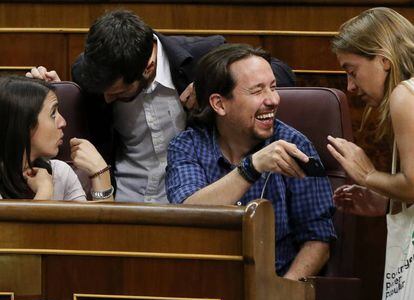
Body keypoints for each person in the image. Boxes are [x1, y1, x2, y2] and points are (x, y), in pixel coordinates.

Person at [26, 10, 296, 203]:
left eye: (120, 94)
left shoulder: (203, 57)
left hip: (192, 203)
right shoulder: (95, 72)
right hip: (122, 204)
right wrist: (51, 89)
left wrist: (209, 84)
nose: (107, 99)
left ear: (148, 67)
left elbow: (282, 75)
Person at [165, 44, 336, 279]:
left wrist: (281, 295)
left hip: (277, 284)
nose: (273, 100)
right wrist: (251, 167)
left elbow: (318, 239)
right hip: (206, 286)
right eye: (258, 91)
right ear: (219, 104)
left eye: (273, 88)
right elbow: (189, 215)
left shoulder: (294, 145)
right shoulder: (187, 146)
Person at [327, 7, 414, 300]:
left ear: (383, 60)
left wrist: (367, 174)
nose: (350, 86)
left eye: (352, 71)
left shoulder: (405, 94)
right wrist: (387, 200)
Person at [0, 76, 113, 201]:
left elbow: (91, 220)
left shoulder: (60, 173)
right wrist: (45, 192)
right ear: (22, 124)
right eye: (53, 114)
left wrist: (100, 172)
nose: (63, 122)